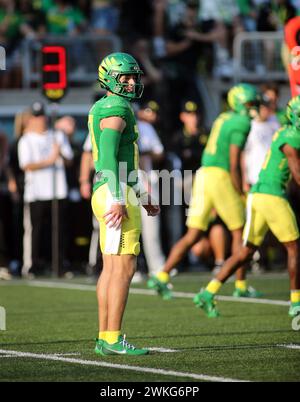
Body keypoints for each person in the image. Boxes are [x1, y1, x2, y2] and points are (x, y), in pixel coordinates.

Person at [147, 83, 261, 301]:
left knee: (193, 234)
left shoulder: (223, 118)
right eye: (250, 103)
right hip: (219, 175)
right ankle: (241, 283)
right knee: (240, 231)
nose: (253, 107)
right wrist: (240, 189)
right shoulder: (241, 121)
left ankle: (161, 275)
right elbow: (234, 160)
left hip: (203, 174)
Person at [194, 95, 300, 319]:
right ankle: (296, 302)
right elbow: (298, 175)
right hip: (271, 195)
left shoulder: (285, 129)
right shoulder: (291, 138)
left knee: (245, 251)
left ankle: (208, 292)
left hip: (258, 195)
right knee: (293, 248)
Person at [91, 52, 160, 356]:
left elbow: (122, 162)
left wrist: (143, 197)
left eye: (134, 77)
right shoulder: (117, 107)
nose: (132, 83)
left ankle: (105, 336)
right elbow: (107, 157)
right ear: (109, 79)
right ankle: (112, 338)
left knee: (111, 269)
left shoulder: (105, 105)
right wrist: (119, 197)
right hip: (113, 191)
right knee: (123, 269)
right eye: (126, 78)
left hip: (110, 189)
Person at [18, 101, 74, 276]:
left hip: (57, 190)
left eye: (42, 116)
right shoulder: (26, 140)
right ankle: (32, 266)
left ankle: (59, 265)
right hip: (36, 192)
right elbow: (26, 165)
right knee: (35, 231)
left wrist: (60, 153)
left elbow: (69, 160)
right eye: (36, 116)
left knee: (59, 230)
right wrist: (50, 160)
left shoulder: (57, 135)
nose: (40, 120)